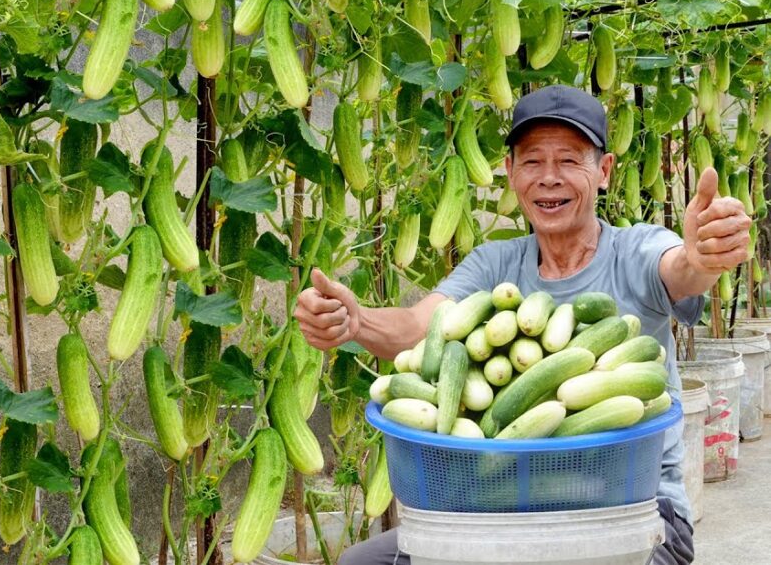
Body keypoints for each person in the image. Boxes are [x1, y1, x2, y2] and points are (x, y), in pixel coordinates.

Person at [294, 85, 752, 565]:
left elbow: (680, 269)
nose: (549, 178)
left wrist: (704, 257)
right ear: (510, 173)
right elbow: (418, 328)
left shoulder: (634, 251)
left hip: (629, 508)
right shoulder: (493, 266)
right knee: (360, 563)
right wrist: (355, 320)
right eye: (532, 162)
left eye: (570, 161)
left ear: (604, 172)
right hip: (501, 506)